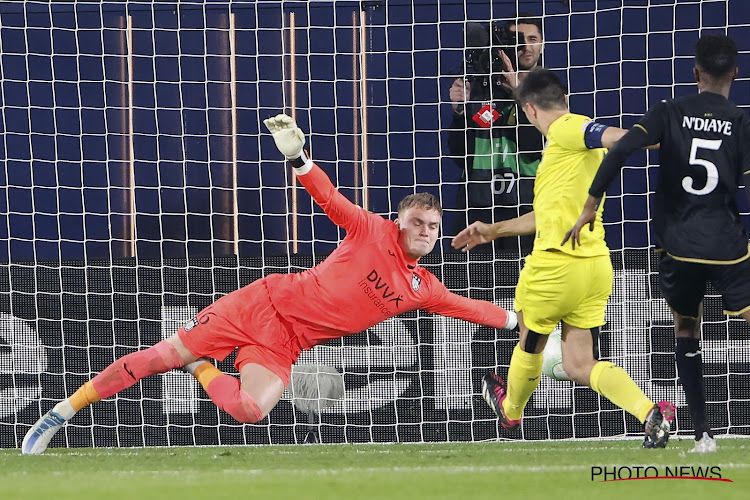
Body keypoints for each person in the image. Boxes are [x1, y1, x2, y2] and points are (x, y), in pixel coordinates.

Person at [21, 114, 520, 455]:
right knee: (152, 360)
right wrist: (300, 158)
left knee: (250, 411)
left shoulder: (423, 287)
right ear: (400, 221)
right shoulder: (372, 229)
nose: (425, 233)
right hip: (261, 304)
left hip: (287, 342)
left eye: (432, 227)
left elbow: (469, 308)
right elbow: (330, 199)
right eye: (417, 222)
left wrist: (521, 321)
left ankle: (200, 366)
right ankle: (59, 415)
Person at [452, 68, 675, 448]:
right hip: (593, 267)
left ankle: (511, 411)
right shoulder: (560, 153)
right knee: (578, 365)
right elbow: (545, 216)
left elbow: (613, 137)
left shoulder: (569, 129)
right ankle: (650, 412)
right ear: (565, 99)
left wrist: (656, 138)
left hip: (556, 266)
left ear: (529, 111)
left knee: (530, 338)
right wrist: (493, 230)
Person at [564, 34, 750, 453]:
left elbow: (620, 150)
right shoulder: (742, 122)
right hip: (727, 245)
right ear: (736, 73)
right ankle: (702, 431)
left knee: (686, 327)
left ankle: (702, 433)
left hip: (677, 246)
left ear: (695, 72)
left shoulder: (670, 112)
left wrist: (590, 205)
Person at [447, 14, 545, 253]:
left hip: (527, 210)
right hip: (478, 206)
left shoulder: (550, 91)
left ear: (542, 44)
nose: (525, 45)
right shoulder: (480, 90)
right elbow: (461, 156)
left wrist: (518, 93)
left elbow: (534, 149)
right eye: (517, 39)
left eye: (532, 38)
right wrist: (459, 113)